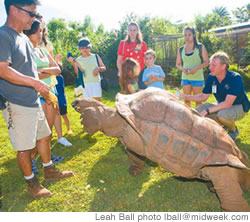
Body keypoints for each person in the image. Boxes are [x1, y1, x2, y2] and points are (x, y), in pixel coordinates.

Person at [0, 0, 73, 199]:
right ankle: (31, 184)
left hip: (34, 100)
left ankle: (49, 170)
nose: (34, 19)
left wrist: (41, 90)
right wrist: (34, 84)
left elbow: (31, 70)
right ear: (14, 9)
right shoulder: (3, 36)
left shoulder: (23, 38)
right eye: (31, 13)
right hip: (16, 102)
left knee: (44, 136)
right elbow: (2, 69)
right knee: (24, 147)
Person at [178, 52, 250, 141]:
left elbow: (228, 103)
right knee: (196, 112)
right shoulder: (211, 77)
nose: (210, 67)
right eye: (210, 64)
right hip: (221, 104)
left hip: (239, 106)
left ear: (223, 66)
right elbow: (203, 96)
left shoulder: (235, 78)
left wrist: (207, 110)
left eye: (213, 65)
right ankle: (219, 127)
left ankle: (233, 130)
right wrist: (185, 96)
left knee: (222, 115)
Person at [176, 26, 209, 107]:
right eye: (185, 35)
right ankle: (188, 119)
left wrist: (195, 68)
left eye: (189, 35)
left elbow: (206, 62)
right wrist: (182, 69)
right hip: (185, 78)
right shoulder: (181, 49)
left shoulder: (201, 47)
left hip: (197, 78)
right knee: (186, 101)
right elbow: (178, 64)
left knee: (198, 102)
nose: (187, 37)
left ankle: (198, 119)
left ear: (194, 35)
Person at [117, 22, 147, 89]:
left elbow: (146, 60)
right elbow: (119, 60)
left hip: (140, 74)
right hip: (128, 74)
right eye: (130, 30)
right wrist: (121, 73)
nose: (132, 32)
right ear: (128, 31)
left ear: (137, 31)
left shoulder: (143, 44)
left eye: (134, 30)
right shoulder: (123, 43)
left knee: (141, 94)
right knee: (131, 93)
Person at [54, 54, 74, 137]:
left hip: (61, 100)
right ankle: (57, 131)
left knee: (64, 115)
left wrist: (57, 61)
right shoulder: (51, 77)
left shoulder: (60, 78)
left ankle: (69, 129)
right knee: (55, 116)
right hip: (55, 100)